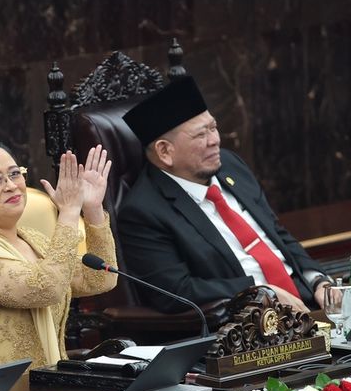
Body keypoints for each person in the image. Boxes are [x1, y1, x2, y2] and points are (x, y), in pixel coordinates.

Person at [118, 77, 331, 314]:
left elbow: (276, 233)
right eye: (201, 135)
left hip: (309, 302)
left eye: (213, 127)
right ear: (165, 151)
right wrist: (259, 291)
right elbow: (179, 292)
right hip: (249, 325)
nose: (215, 141)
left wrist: (319, 281)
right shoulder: (143, 211)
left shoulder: (231, 165)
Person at [0, 135, 118, 379]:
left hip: (46, 388)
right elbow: (46, 288)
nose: (12, 185)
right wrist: (67, 212)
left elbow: (99, 279)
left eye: (15, 174)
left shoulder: (33, 240)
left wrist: (93, 208)